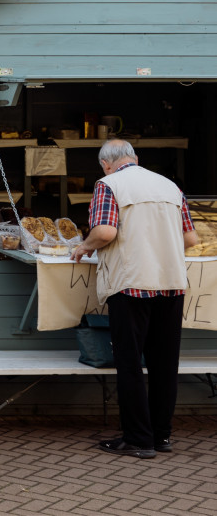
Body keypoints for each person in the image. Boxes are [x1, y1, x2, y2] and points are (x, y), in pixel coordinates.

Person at [71, 139, 198, 458]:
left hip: (131, 285)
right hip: (171, 283)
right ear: (136, 158)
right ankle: (161, 436)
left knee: (129, 363)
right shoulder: (169, 186)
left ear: (105, 163)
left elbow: (104, 232)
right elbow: (191, 239)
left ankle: (138, 439)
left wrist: (84, 247)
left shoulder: (108, 185)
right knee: (164, 364)